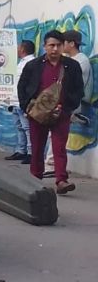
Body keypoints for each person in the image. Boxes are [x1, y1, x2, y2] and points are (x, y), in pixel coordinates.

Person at [17, 30, 84, 194]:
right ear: (44, 46)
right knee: (38, 147)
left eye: (58, 45)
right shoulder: (33, 66)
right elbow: (22, 87)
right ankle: (35, 179)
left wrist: (67, 107)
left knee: (59, 148)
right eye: (51, 45)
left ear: (63, 46)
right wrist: (27, 107)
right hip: (37, 114)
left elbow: (78, 90)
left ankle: (61, 180)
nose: (54, 49)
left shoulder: (71, 66)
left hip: (61, 113)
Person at [5, 40, 36, 164]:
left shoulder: (31, 63)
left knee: (27, 128)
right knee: (19, 127)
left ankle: (30, 153)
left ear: (23, 49)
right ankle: (21, 151)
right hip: (15, 100)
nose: (17, 49)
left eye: (18, 47)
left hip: (23, 102)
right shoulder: (21, 62)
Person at [62, 30, 93, 125]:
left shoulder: (81, 60)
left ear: (71, 43)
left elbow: (74, 85)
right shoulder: (69, 58)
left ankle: (75, 115)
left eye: (63, 42)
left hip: (73, 103)